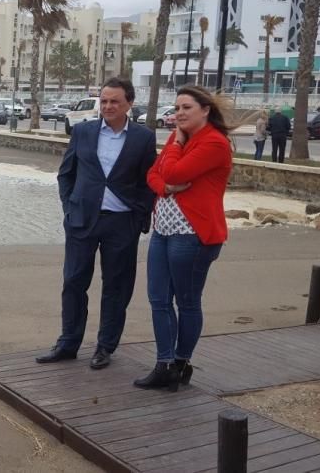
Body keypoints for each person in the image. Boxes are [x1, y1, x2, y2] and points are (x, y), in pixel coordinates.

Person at [36, 78, 157, 370]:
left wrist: (139, 216)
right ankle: (68, 343)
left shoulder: (143, 138)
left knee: (116, 287)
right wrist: (69, 208)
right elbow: (66, 174)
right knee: (74, 282)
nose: (107, 106)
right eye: (103, 101)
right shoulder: (83, 131)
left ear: (128, 103)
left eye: (114, 101)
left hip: (121, 223)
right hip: (81, 222)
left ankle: (105, 347)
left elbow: (148, 182)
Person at [134, 85, 233, 392]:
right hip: (163, 231)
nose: (179, 114)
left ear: (205, 110)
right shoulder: (181, 140)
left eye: (186, 107)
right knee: (158, 299)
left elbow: (174, 172)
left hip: (193, 235)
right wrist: (165, 186)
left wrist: (173, 156)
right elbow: (154, 175)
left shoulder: (214, 143)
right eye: (176, 108)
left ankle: (180, 362)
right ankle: (164, 365)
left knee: (187, 302)